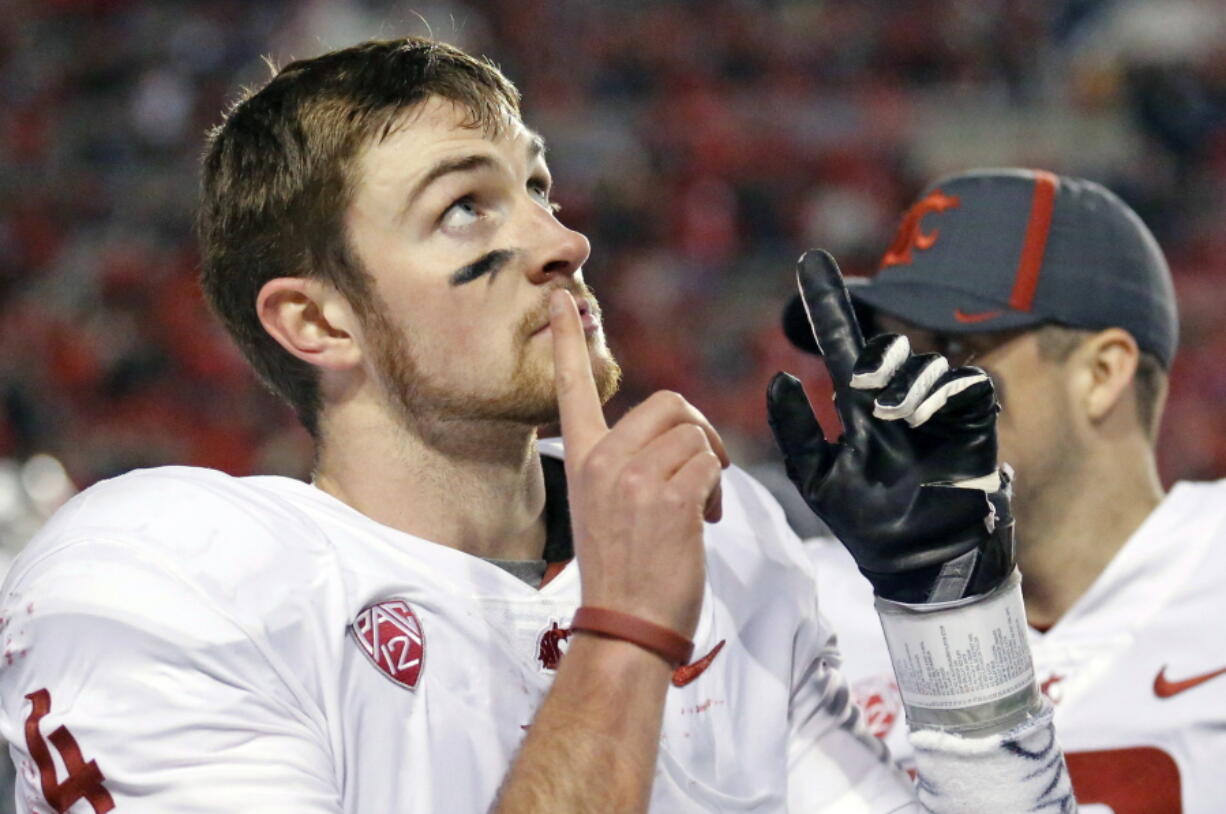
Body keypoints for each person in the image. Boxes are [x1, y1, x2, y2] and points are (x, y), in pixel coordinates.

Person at [0, 40, 1072, 813]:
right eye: (465, 206)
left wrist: (949, 615)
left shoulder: (717, 536)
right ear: (317, 318)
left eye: (538, 186)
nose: (562, 240)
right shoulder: (158, 574)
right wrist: (623, 634)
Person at [785, 167, 1225, 812]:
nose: (898, 388)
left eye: (956, 348)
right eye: (889, 351)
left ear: (1101, 374)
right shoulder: (810, 609)